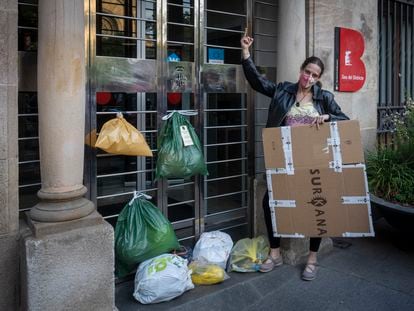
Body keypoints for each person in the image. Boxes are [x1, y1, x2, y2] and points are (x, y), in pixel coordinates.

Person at [240, 35, 349, 281]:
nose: (309, 78)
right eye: (307, 72)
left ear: (319, 78)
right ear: (301, 70)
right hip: (283, 159)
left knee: (316, 205)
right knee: (271, 202)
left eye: (314, 75)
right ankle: (275, 253)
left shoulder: (325, 98)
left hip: (313, 161)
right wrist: (246, 53)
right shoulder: (282, 91)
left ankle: (312, 257)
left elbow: (346, 120)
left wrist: (329, 118)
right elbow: (258, 82)